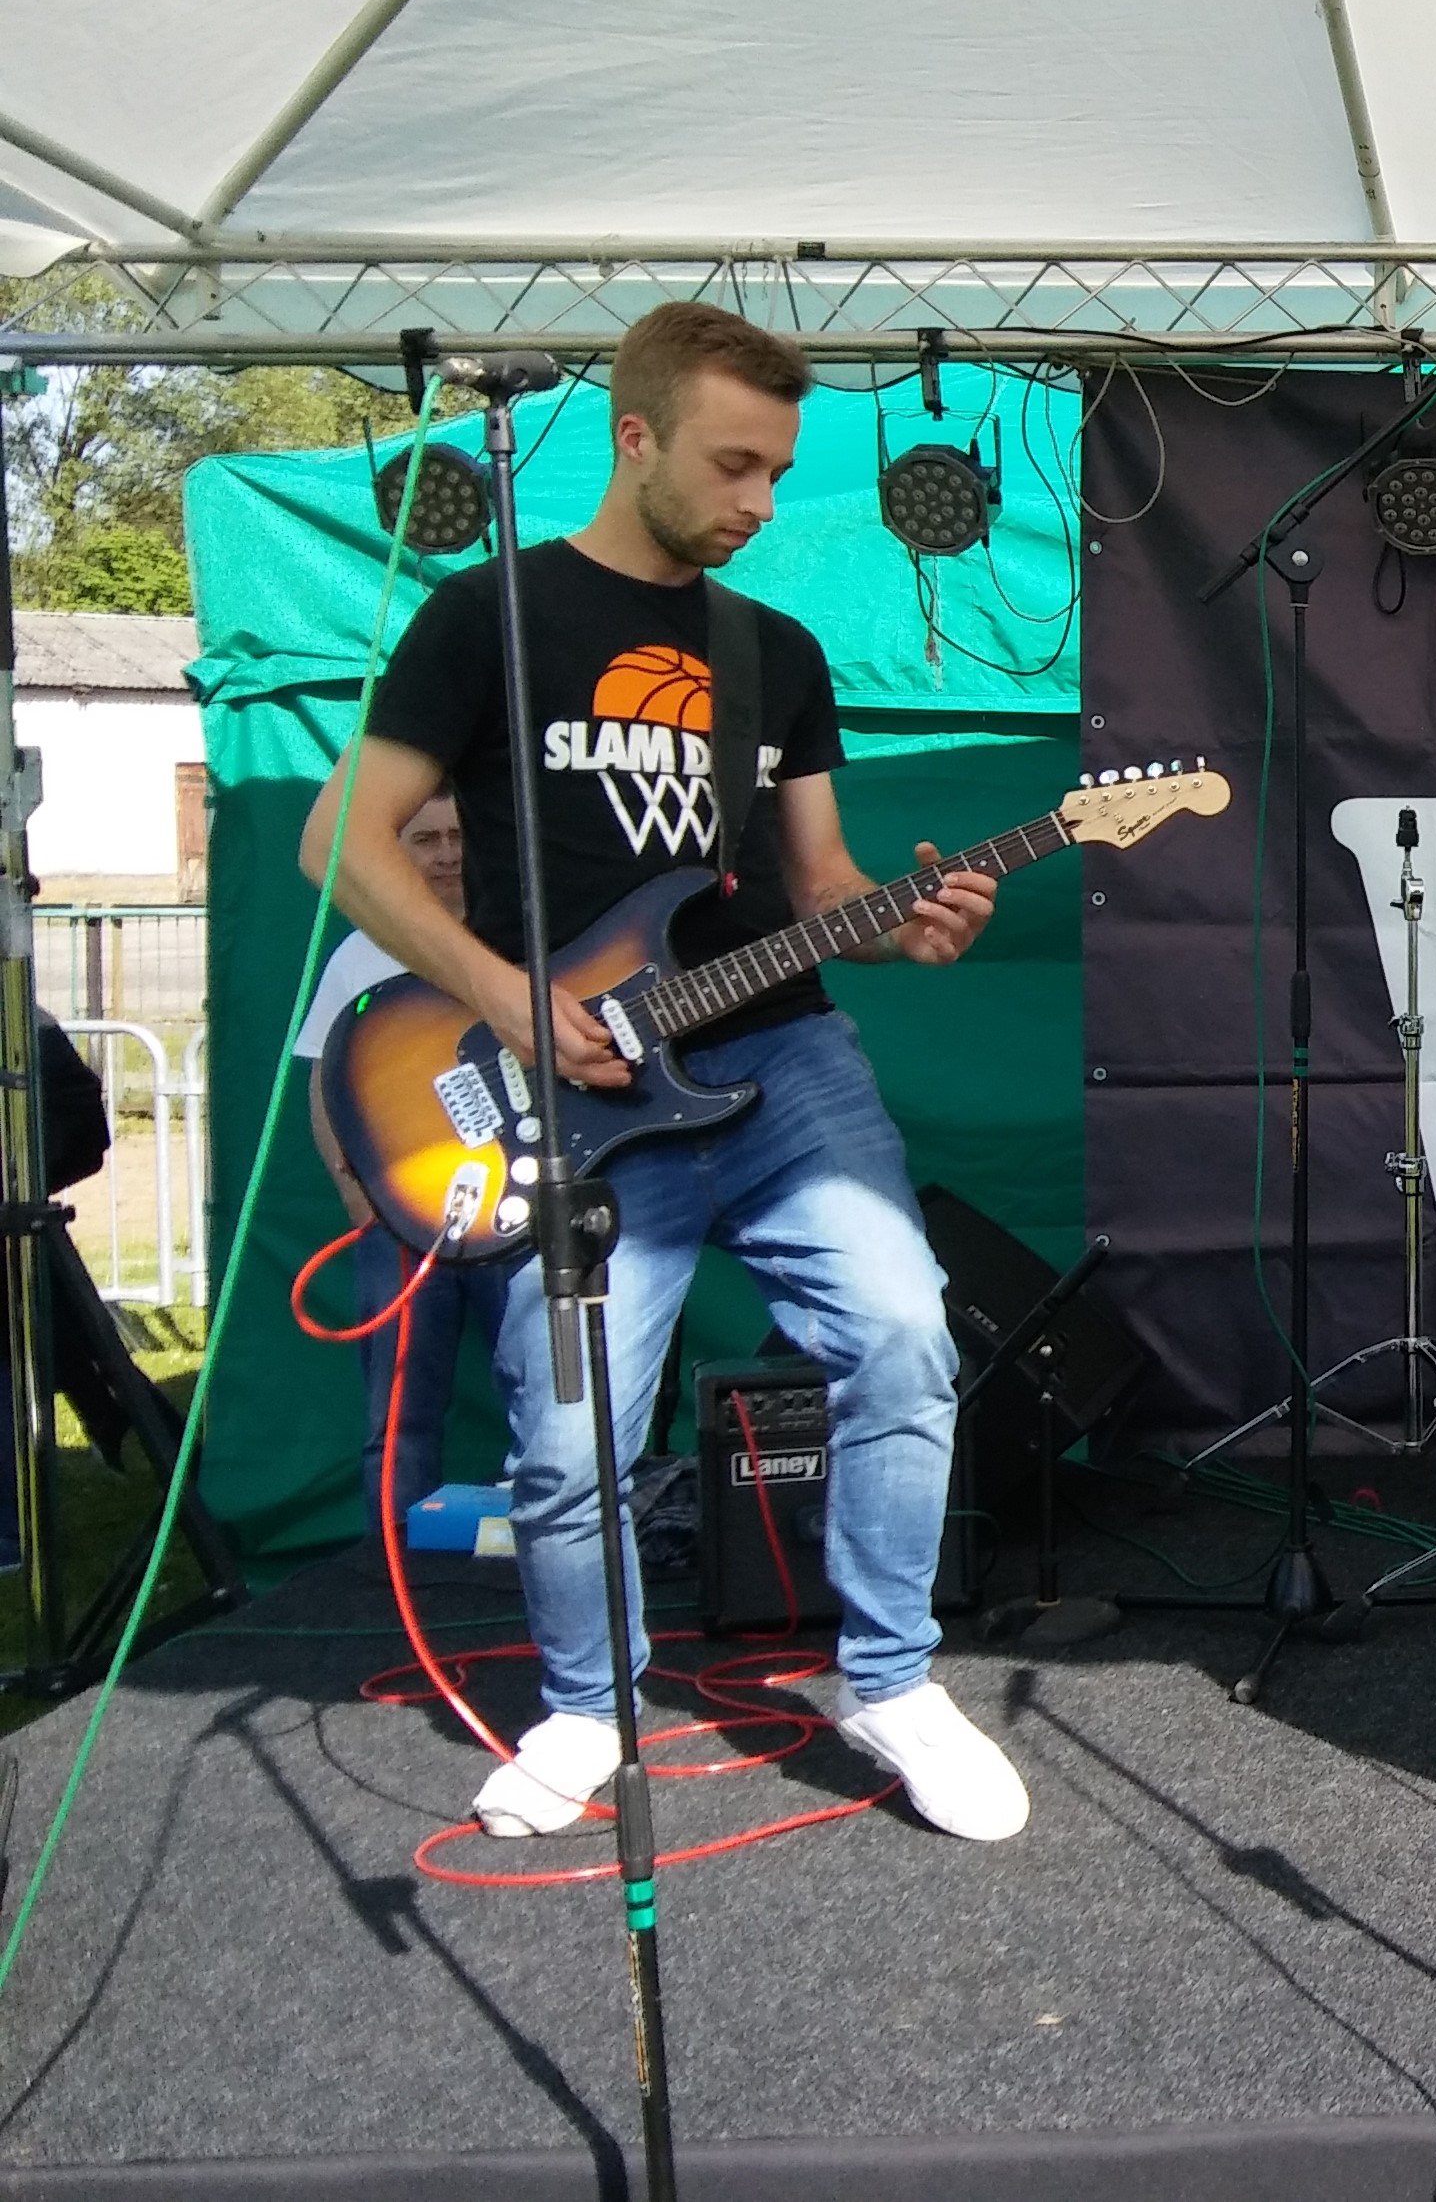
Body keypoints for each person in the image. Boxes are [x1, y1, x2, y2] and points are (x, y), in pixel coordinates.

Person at [301, 300, 1028, 1844]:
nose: (762, 501)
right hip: (567, 1088)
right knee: (566, 1434)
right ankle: (587, 1705)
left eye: (778, 471)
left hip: (780, 1059)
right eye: (733, 464)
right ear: (634, 438)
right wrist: (503, 997)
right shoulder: (486, 619)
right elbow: (339, 843)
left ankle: (892, 1679)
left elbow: (821, 884)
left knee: (904, 1332)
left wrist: (906, 929)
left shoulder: (777, 654)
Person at [294, 789, 511, 1504]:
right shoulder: (362, 953)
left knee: (548, 1407)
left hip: (518, 1211)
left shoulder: (524, 940)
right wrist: (360, 1200)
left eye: (457, 836)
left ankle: (544, 1555)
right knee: (398, 1421)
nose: (446, 854)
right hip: (400, 1219)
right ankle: (392, 1561)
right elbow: (325, 1083)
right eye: (426, 840)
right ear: (397, 851)